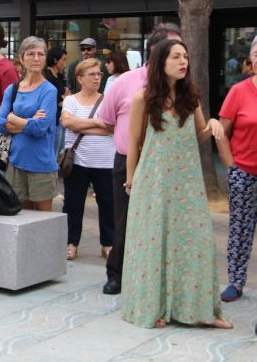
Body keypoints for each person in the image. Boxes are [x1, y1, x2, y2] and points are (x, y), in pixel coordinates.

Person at [122, 39, 231, 329]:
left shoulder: (190, 96)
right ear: (161, 62)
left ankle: (201, 310)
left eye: (185, 56)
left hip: (187, 183)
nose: (183, 61)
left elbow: (200, 133)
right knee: (154, 243)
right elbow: (134, 143)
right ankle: (154, 308)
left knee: (195, 242)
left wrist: (216, 124)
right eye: (176, 57)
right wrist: (131, 181)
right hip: (153, 182)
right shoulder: (142, 98)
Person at [97, 23, 182, 295]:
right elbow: (108, 120)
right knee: (125, 220)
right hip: (128, 162)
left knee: (164, 223)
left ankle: (159, 278)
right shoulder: (126, 82)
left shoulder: (182, 87)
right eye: (172, 50)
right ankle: (117, 274)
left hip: (168, 165)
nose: (180, 57)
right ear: (155, 51)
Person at [215, 36, 257, 302]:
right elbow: (221, 132)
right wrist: (232, 168)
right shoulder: (239, 91)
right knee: (241, 229)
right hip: (244, 171)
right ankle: (236, 281)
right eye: (256, 52)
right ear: (251, 58)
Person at [60, 58, 115, 261]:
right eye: (92, 74)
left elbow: (112, 128)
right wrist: (97, 123)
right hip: (77, 161)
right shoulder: (70, 100)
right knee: (73, 204)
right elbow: (67, 122)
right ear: (80, 78)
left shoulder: (108, 99)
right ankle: (70, 242)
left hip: (105, 161)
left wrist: (82, 125)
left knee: (108, 204)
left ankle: (108, 243)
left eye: (99, 74)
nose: (97, 78)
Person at [0, 36, 58, 211]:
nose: (36, 58)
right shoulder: (12, 89)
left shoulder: (49, 90)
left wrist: (14, 118)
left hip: (41, 164)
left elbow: (39, 128)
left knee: (44, 222)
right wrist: (29, 121)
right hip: (15, 162)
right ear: (22, 58)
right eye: (31, 54)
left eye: (41, 54)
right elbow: (0, 124)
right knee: (22, 221)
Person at [45, 47, 69, 155]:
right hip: (53, 119)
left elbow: (67, 93)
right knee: (54, 152)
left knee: (61, 151)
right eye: (63, 59)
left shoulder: (60, 76)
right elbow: (52, 100)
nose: (65, 63)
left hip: (61, 117)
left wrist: (63, 100)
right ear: (55, 60)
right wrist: (62, 100)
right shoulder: (47, 77)